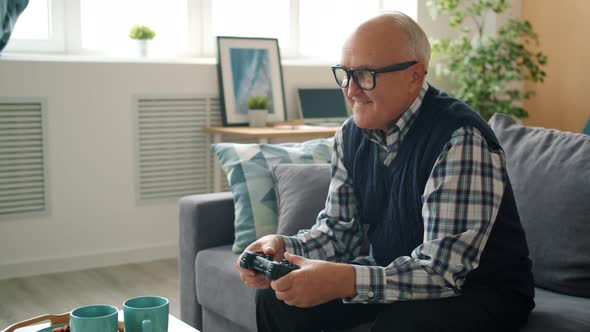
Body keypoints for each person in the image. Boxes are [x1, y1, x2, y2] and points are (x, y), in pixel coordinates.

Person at [236, 11, 535, 332]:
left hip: (481, 290)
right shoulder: (349, 137)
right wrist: (283, 248)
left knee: (402, 324)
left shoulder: (458, 138)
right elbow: (338, 231)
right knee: (277, 298)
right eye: (344, 73)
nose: (350, 90)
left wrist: (346, 279)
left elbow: (443, 272)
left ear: (415, 76)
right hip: (392, 272)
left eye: (365, 74)